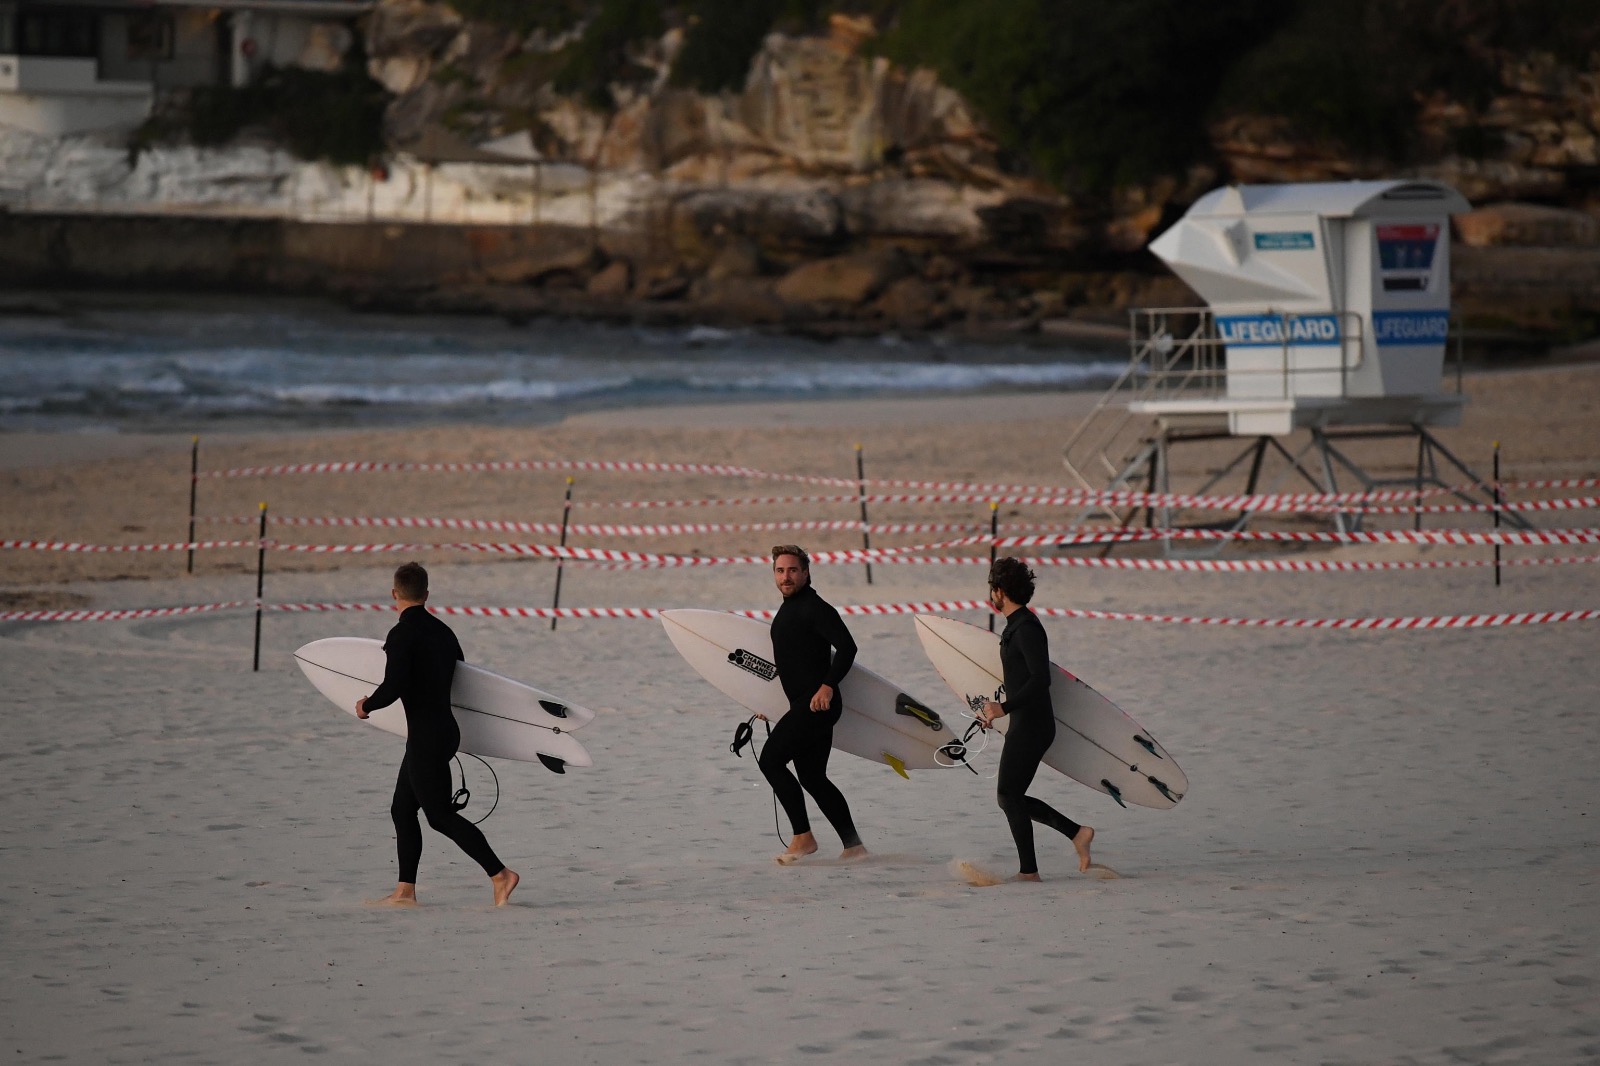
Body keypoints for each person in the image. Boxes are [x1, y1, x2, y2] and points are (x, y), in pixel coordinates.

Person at [356, 562, 519, 906]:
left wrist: (367, 705)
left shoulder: (401, 634)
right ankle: (404, 891)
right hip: (444, 731)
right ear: (426, 595)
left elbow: (394, 685)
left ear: (394, 594)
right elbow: (464, 678)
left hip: (426, 737)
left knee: (439, 816)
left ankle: (500, 874)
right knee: (402, 810)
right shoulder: (444, 632)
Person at [976, 557, 1094, 881]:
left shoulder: (1025, 628)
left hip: (1033, 725)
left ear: (1000, 591)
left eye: (992, 589)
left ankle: (1029, 871)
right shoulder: (1016, 625)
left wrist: (1005, 708)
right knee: (1010, 796)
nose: (991, 595)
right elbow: (1020, 678)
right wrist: (997, 709)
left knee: (1008, 796)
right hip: (1026, 721)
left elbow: (1041, 679)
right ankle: (1076, 834)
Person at [754, 545, 869, 865]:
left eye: (792, 570)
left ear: (806, 573)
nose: (786, 576)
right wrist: (770, 703)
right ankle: (854, 846)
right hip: (805, 705)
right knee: (813, 777)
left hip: (817, 705)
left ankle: (803, 837)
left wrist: (828, 686)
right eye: (780, 570)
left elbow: (848, 647)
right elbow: (792, 664)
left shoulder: (815, 608)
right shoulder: (790, 607)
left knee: (771, 761)